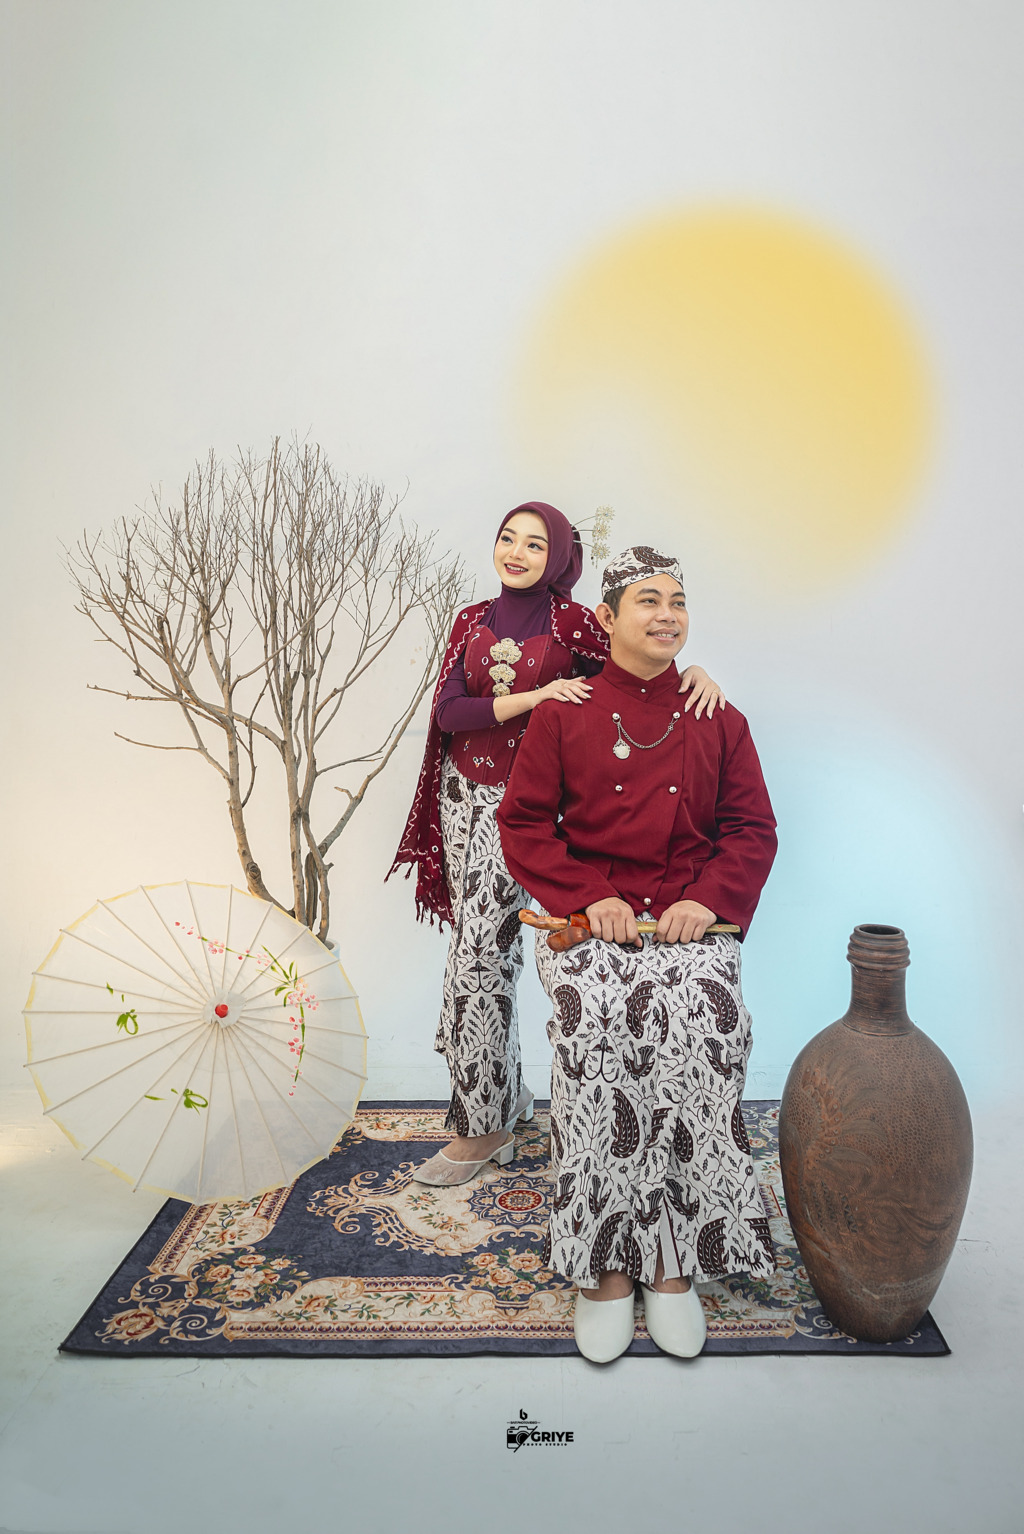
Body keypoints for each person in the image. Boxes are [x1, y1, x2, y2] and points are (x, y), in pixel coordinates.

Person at [497, 545, 777, 1362]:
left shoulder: (718, 716)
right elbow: (524, 825)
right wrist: (591, 895)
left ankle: (672, 1256)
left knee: (706, 1032)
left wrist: (707, 899)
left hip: (690, 924)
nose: (666, 615)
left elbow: (752, 828)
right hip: (591, 924)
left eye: (678, 601)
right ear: (608, 617)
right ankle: (603, 1267)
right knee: (597, 1035)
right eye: (648, 600)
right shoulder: (565, 712)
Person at [388, 507, 725, 1186]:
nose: (516, 551)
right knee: (477, 956)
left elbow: (637, 666)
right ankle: (486, 1120)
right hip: (470, 799)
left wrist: (696, 675)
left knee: (567, 953)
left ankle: (611, 1115)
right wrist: (539, 695)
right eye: (507, 538)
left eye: (536, 543)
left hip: (551, 811)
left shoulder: (574, 622)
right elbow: (448, 712)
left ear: (561, 555)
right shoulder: (470, 619)